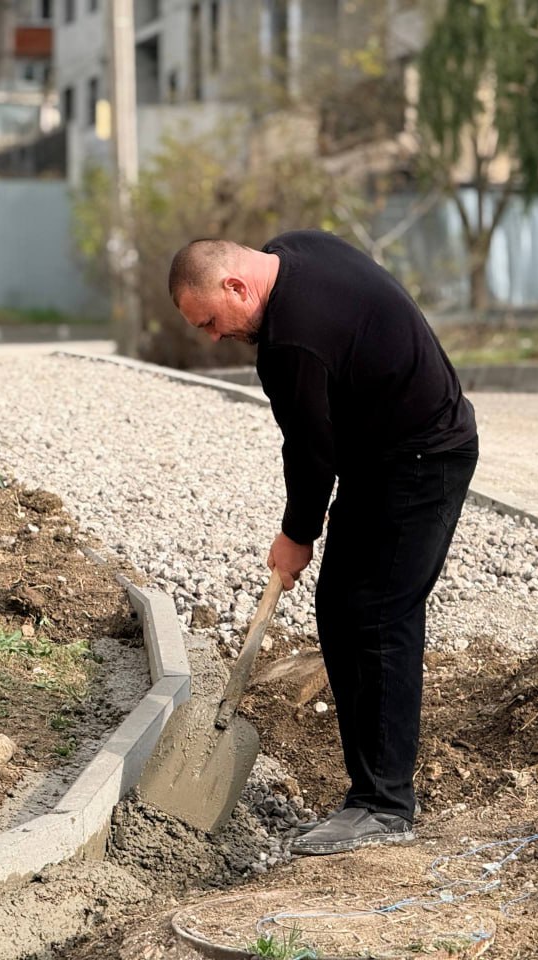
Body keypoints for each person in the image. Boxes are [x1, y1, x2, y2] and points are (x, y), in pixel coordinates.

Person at [168, 231, 478, 856]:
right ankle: (367, 794)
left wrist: (296, 535)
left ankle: (384, 804)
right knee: (340, 611)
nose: (211, 336)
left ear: (236, 286)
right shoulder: (295, 249)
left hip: (422, 458)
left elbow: (310, 453)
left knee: (378, 616)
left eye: (209, 320)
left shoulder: (289, 344)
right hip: (384, 457)